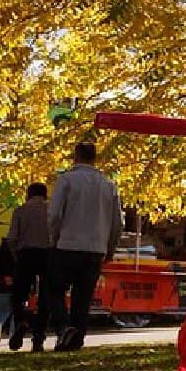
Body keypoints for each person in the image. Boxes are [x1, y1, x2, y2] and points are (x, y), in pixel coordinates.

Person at [47, 142, 124, 351]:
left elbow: (54, 215)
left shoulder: (66, 180)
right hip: (96, 248)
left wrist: (53, 239)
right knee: (83, 297)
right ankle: (76, 339)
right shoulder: (109, 185)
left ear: (76, 156)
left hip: (68, 244)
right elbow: (118, 222)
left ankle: (63, 327)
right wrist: (110, 247)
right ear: (94, 158)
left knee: (54, 289)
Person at [5, 183, 52, 351]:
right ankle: (38, 338)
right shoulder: (52, 210)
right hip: (48, 254)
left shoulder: (20, 210)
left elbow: (11, 238)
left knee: (19, 294)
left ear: (28, 194)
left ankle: (22, 320)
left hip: (26, 254)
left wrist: (15, 254)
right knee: (46, 297)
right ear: (45, 195)